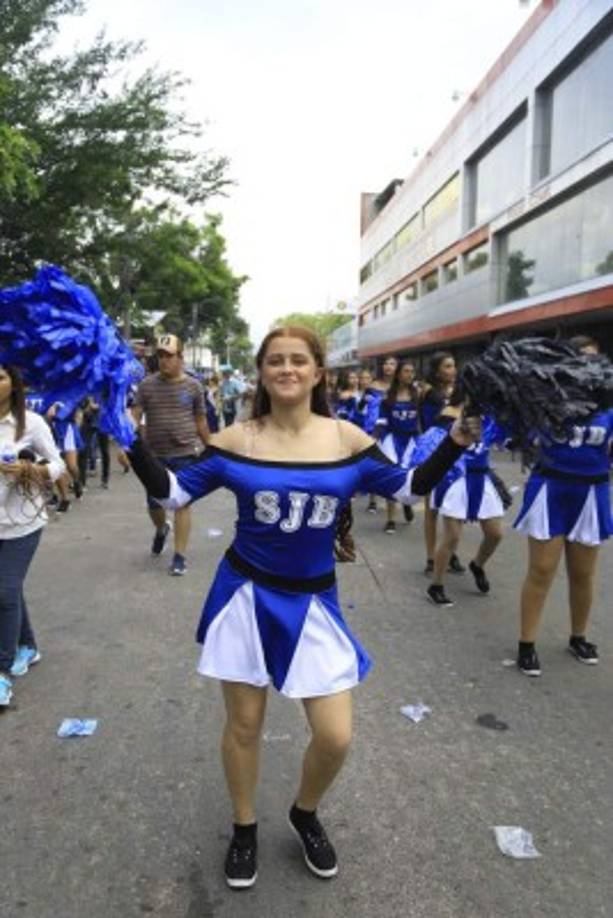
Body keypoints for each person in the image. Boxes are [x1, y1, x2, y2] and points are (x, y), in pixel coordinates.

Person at [127, 325, 479, 888]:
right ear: (262, 372)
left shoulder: (346, 438)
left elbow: (410, 489)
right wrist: (126, 435)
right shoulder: (238, 438)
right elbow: (173, 492)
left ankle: (304, 811)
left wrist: (457, 440)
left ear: (318, 372)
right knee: (244, 724)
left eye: (298, 361)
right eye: (275, 361)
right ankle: (244, 826)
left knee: (336, 735)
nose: (286, 369)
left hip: (315, 600)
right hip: (245, 595)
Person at [513, 402, 613, 676]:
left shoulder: (608, 405)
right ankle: (527, 643)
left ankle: (578, 637)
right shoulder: (543, 398)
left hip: (592, 491)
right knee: (542, 570)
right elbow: (516, 433)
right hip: (550, 487)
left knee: (582, 573)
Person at [0, 365, 66, 708]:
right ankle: (29, 646)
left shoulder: (32, 423)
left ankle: (2, 672)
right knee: (8, 588)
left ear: (14, 384)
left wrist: (31, 469)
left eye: (0, 377)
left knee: (4, 591)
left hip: (21, 523)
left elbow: (58, 465)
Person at [131, 334, 209, 576]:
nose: (164, 361)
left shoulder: (194, 386)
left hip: (186, 452)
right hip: (154, 455)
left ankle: (179, 556)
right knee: (155, 503)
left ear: (180, 357)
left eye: (169, 356)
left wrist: (212, 447)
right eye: (160, 356)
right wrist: (127, 446)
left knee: (183, 503)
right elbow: (134, 415)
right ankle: (161, 528)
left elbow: (201, 420)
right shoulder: (146, 386)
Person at [425, 399, 504, 607]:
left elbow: (506, 438)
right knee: (452, 537)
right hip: (456, 481)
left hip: (481, 480)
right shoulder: (454, 417)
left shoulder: (491, 421)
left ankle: (477, 564)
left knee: (495, 534)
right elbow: (437, 443)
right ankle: (436, 585)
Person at [418, 351, 465, 575]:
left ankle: (450, 551)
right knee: (432, 508)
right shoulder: (428, 393)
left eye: (453, 365)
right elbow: (428, 424)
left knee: (454, 505)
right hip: (435, 450)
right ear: (437, 370)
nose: (452, 370)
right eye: (447, 366)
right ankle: (429, 556)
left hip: (460, 452)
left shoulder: (460, 390)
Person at [376, 360, 421, 532]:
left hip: (411, 441)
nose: (410, 374)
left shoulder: (419, 395)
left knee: (410, 476)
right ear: (399, 374)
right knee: (392, 476)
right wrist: (374, 439)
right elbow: (381, 421)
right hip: (392, 440)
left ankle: (406, 503)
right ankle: (390, 519)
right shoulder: (388, 397)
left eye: (412, 371)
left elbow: (424, 419)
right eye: (406, 371)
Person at [365, 355, 397, 513]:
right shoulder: (372, 386)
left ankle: (402, 502)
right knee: (375, 465)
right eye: (386, 363)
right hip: (373, 429)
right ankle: (372, 499)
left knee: (394, 467)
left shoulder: (402, 388)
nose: (389, 366)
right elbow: (360, 407)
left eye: (392, 363)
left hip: (393, 432)